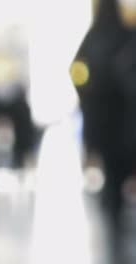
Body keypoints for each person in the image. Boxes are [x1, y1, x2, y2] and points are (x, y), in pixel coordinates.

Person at [73, 0, 132, 262]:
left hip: (108, 121)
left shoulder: (94, 39)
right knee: (118, 170)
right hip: (123, 121)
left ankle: (114, 214)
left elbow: (76, 72)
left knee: (113, 172)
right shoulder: (126, 36)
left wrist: (89, 92)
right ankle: (115, 214)